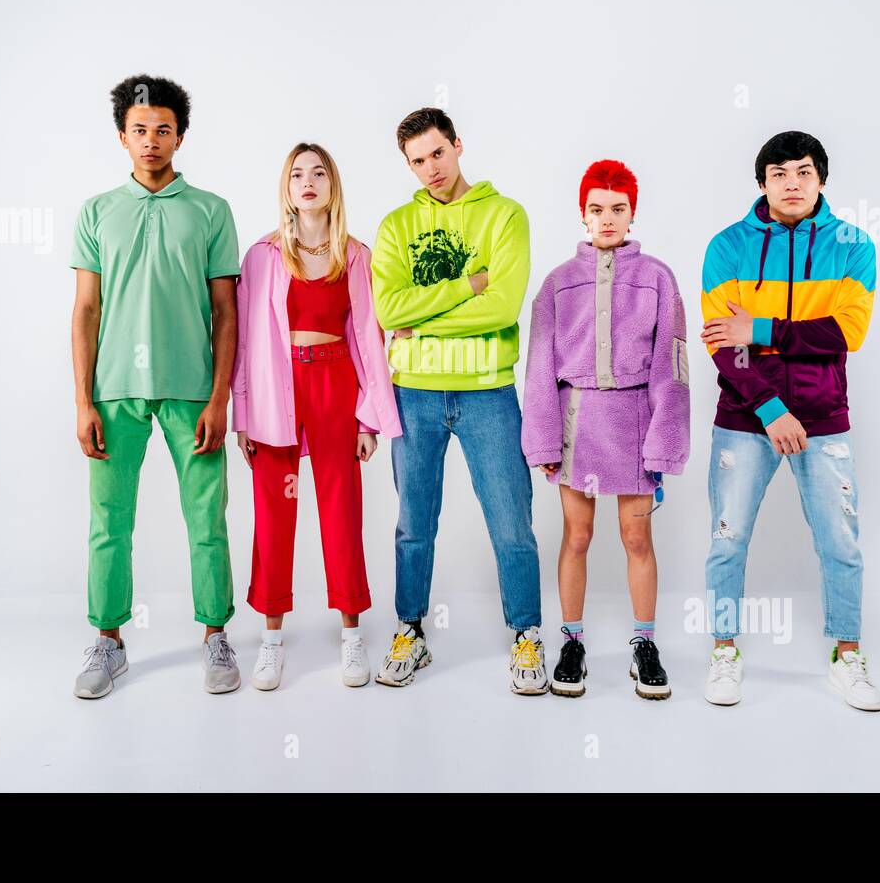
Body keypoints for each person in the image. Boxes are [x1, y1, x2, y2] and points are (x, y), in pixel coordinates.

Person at [698, 131, 880, 711]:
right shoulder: (727, 246)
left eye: (804, 172)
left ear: (821, 179)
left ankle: (846, 656)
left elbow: (846, 333)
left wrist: (760, 329)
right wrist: (770, 406)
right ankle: (725, 651)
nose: (792, 183)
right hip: (746, 416)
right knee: (727, 542)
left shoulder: (853, 245)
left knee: (841, 543)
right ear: (762, 184)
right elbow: (720, 346)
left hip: (824, 416)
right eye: (779, 173)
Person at [69, 75, 241, 699]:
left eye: (162, 129)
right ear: (122, 136)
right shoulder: (96, 211)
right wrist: (84, 400)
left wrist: (220, 398)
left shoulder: (211, 211)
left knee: (208, 520)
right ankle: (108, 641)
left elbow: (228, 312)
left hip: (193, 389)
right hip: (114, 391)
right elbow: (85, 310)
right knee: (108, 520)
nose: (151, 140)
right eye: (139, 130)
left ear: (180, 136)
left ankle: (215, 634)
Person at [369, 107, 546, 695]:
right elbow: (388, 310)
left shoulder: (504, 215)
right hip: (413, 393)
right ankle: (410, 629)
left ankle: (526, 633)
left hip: (487, 391)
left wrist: (426, 322)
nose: (430, 169)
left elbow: (502, 306)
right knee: (413, 523)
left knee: (511, 520)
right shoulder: (395, 226)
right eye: (417, 161)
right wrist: (465, 287)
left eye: (437, 154)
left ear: (458, 146)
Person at [232, 143, 401, 690]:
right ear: (286, 186)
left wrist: (368, 417)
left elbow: (369, 339)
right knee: (273, 516)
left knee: (341, 510)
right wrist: (244, 413)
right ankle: (271, 641)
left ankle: (352, 636)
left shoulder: (354, 255)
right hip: (277, 389)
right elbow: (244, 341)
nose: (308, 182)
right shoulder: (261, 256)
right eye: (297, 174)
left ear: (333, 185)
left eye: (319, 173)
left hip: (333, 385)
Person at [522, 160, 690, 699]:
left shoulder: (659, 278)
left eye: (618, 209)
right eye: (597, 209)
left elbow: (674, 364)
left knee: (637, 536)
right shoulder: (556, 283)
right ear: (583, 214)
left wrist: (666, 438)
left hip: (637, 424)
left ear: (633, 212)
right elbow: (539, 368)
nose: (608, 218)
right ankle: (571, 640)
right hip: (578, 426)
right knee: (578, 535)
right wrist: (543, 439)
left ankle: (645, 644)